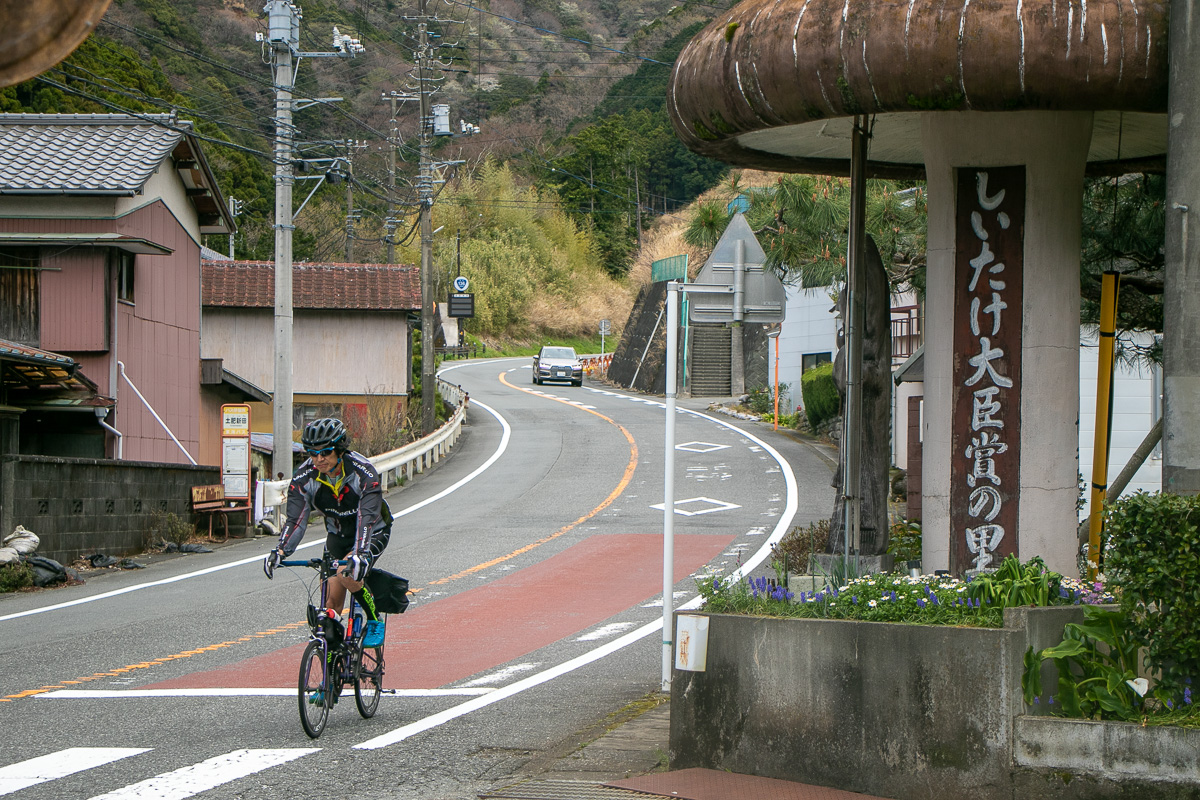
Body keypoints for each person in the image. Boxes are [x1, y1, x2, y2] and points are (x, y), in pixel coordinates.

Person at [263, 417, 391, 648]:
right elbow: (296, 520)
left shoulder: (362, 472)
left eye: (326, 452)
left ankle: (374, 619)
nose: (319, 459)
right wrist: (281, 550)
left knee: (346, 571)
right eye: (312, 453)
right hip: (338, 535)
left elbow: (366, 518)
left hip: (372, 531)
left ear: (340, 449)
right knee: (329, 605)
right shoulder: (305, 478)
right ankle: (331, 664)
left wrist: (360, 553)